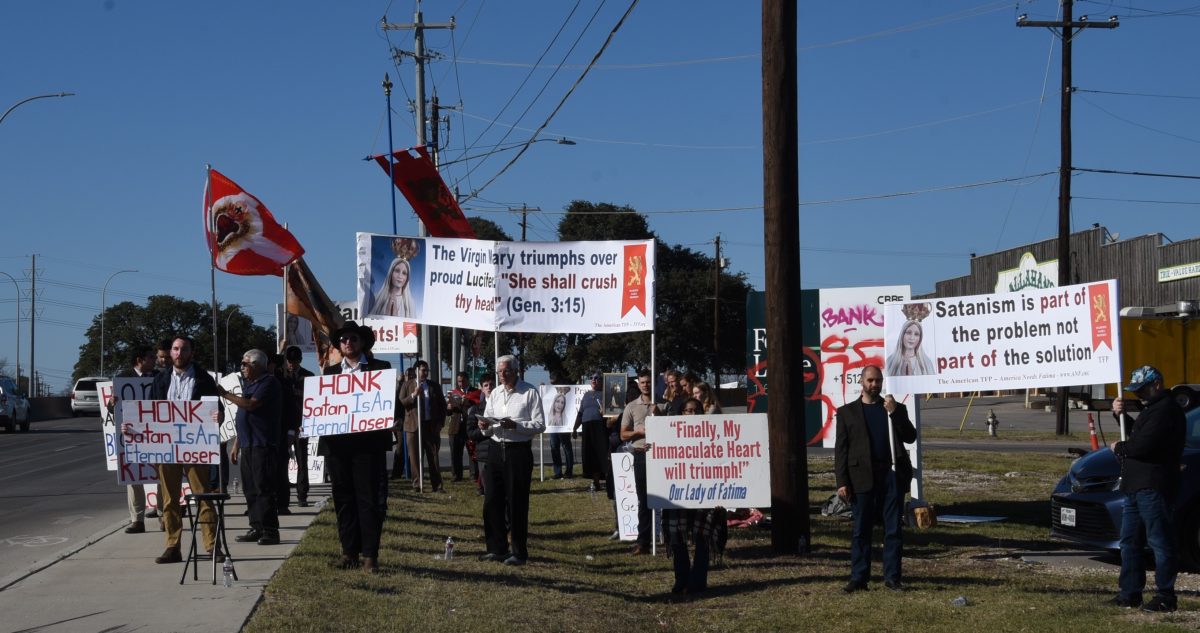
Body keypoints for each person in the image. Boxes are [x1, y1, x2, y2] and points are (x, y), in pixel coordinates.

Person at [1108, 365, 1187, 612]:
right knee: (1129, 541)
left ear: (1157, 385)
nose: (1139, 394)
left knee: (1159, 541)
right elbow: (1138, 435)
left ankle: (1166, 596)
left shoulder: (1165, 410)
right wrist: (1120, 416)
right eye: (1136, 390)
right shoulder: (1152, 409)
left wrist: (1119, 448)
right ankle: (1130, 592)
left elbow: (1143, 446)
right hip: (1136, 485)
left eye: (1142, 389)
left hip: (1153, 485)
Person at [318, 321, 395, 573]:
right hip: (338, 446)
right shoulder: (330, 373)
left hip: (368, 446)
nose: (348, 343)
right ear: (339, 345)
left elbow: (391, 403)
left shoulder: (379, 369)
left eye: (352, 338)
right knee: (343, 499)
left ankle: (370, 556)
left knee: (369, 500)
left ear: (362, 342)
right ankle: (348, 552)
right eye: (343, 340)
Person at [834, 364, 917, 592]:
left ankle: (892, 578)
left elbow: (910, 437)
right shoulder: (847, 412)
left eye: (878, 380)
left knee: (893, 530)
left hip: (891, 476)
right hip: (861, 477)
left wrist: (895, 413)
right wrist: (842, 482)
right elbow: (841, 450)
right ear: (861, 382)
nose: (874, 384)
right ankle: (859, 578)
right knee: (861, 530)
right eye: (870, 380)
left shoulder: (893, 408)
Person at [146, 336, 220, 564]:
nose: (179, 353)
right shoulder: (160, 379)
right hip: (166, 447)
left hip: (195, 446)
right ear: (170, 352)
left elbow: (216, 408)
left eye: (184, 349)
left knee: (203, 496)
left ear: (191, 353)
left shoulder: (204, 379)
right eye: (176, 349)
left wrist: (218, 415)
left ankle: (212, 546)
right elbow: (149, 412)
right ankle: (172, 546)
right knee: (169, 500)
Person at [479, 355, 545, 566]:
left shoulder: (529, 392)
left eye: (506, 371)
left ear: (516, 371)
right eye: (499, 372)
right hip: (495, 449)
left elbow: (540, 425)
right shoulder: (495, 394)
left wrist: (515, 425)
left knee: (516, 503)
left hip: (518, 452)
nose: (502, 375)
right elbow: (488, 423)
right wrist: (484, 426)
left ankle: (518, 551)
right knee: (492, 500)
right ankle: (496, 548)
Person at [217, 349, 283, 546]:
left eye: (245, 364)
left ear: (258, 365)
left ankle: (270, 530)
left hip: (262, 444)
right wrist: (237, 444)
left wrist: (224, 394)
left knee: (264, 488)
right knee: (250, 489)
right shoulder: (249, 384)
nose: (242, 368)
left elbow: (250, 405)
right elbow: (244, 416)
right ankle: (256, 526)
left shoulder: (268, 382)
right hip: (247, 444)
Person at [665, 397, 724, 594]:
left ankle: (698, 580)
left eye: (695, 410)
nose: (692, 414)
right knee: (677, 538)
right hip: (677, 494)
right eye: (688, 411)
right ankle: (681, 579)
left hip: (704, 494)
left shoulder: (713, 434)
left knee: (703, 538)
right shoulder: (669, 434)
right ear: (681, 413)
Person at [115, 347, 157, 534]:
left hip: (156, 433)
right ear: (140, 360)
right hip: (133, 435)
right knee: (134, 478)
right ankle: (137, 520)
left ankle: (163, 515)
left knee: (161, 475)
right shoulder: (123, 378)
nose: (154, 360)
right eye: (150, 357)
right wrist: (112, 404)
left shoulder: (159, 377)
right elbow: (114, 410)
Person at [620, 369, 657, 556]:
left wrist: (660, 415)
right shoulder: (631, 406)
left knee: (666, 500)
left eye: (648, 382)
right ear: (639, 384)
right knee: (644, 500)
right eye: (642, 382)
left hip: (662, 457)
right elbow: (623, 434)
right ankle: (643, 543)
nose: (646, 385)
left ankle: (670, 539)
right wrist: (638, 432)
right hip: (641, 456)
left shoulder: (663, 404)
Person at [400, 359, 447, 492]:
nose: (425, 373)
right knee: (415, 458)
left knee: (433, 457)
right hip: (413, 427)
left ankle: (437, 485)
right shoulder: (407, 385)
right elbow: (402, 401)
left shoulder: (434, 386)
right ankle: (417, 485)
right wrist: (414, 395)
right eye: (423, 370)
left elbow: (442, 406)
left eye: (427, 370)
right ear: (416, 370)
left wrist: (440, 423)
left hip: (430, 426)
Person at [281, 345, 314, 507]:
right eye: (289, 361)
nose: (291, 364)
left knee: (302, 461)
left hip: (302, 425)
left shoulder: (309, 376)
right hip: (284, 425)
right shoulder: (281, 376)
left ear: (300, 360)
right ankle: (283, 495)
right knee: (282, 461)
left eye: (294, 361)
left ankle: (302, 495)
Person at [446, 372, 481, 483]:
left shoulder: (475, 392)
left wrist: (467, 401)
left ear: (467, 380)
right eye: (459, 381)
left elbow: (478, 406)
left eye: (463, 381)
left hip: (470, 426)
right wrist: (448, 408)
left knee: (472, 452)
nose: (460, 383)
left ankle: (474, 475)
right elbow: (448, 412)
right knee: (455, 452)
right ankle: (456, 475)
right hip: (455, 427)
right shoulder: (453, 393)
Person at [547, 391, 574, 479]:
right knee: (554, 448)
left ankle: (569, 472)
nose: (559, 404)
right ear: (554, 402)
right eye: (557, 401)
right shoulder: (550, 417)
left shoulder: (566, 419)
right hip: (553, 429)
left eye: (562, 402)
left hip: (564, 429)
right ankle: (558, 472)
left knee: (567, 448)